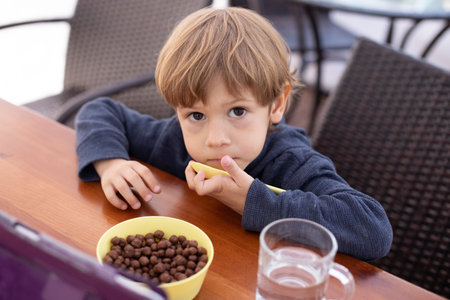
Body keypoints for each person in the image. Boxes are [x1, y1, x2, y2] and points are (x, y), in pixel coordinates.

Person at [75, 7, 392, 260]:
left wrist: (253, 201)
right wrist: (111, 163)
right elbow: (99, 110)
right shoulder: (171, 139)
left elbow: (373, 229)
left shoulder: (290, 162)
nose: (215, 139)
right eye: (196, 115)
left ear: (277, 104)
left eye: (237, 111)